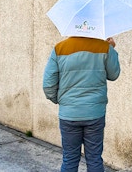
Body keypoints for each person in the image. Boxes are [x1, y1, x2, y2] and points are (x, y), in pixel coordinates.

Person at [43, 36, 120, 172]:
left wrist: (64, 102)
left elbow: (48, 85)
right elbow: (113, 75)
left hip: (69, 114)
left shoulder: (59, 48)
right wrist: (111, 49)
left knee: (70, 159)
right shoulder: (103, 47)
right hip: (94, 113)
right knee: (94, 159)